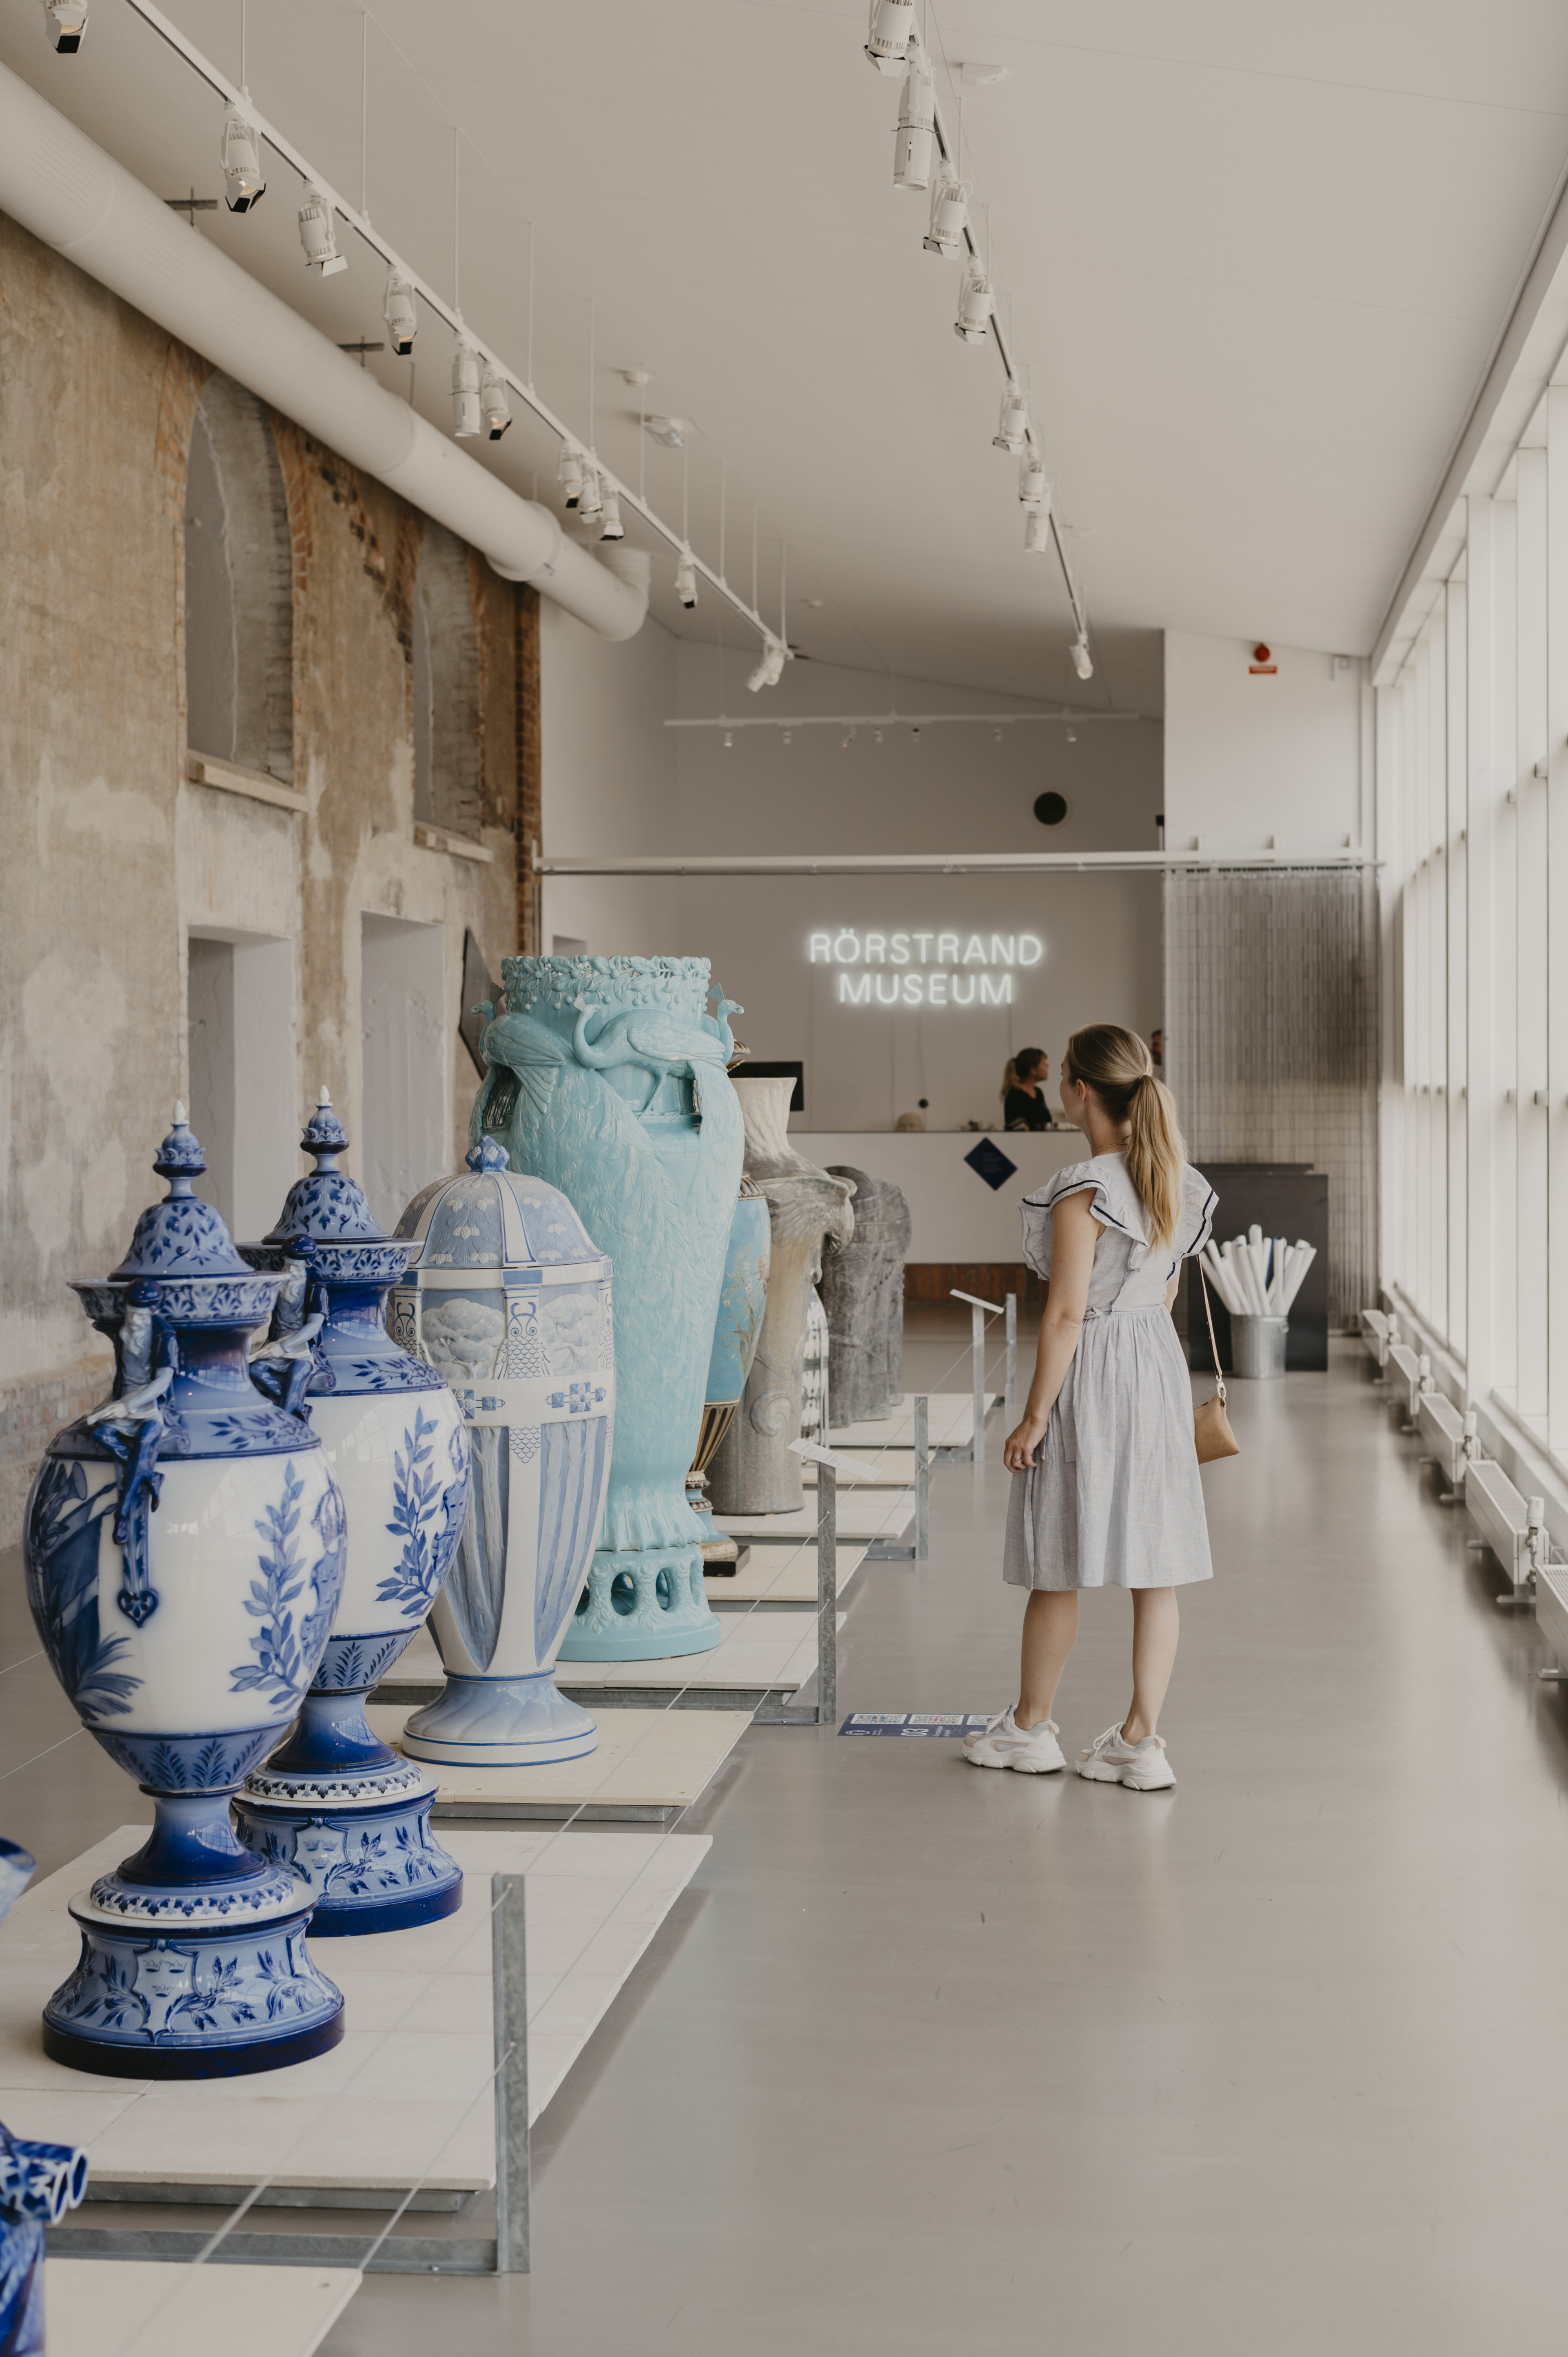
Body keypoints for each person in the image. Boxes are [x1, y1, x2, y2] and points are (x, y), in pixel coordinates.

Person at [966, 1023, 1216, 1790]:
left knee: (1058, 1557)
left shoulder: (1083, 1187)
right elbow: (1167, 1290)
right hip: (1154, 1365)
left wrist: (1034, 1414)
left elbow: (1067, 1314)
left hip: (1094, 1368)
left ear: (1077, 1091)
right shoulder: (1181, 1179)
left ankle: (1029, 1727)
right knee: (1156, 1568)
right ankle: (1139, 1743)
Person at [1001, 1048, 1051, 1131]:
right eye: (1044, 1064)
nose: (1047, 1066)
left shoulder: (1038, 1093)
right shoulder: (1015, 1096)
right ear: (1033, 1071)